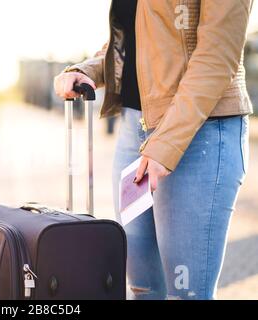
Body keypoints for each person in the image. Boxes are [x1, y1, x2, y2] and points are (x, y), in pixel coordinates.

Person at [54, 0, 253, 300]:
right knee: (142, 290)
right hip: (134, 133)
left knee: (186, 295)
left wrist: (165, 144)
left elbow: (217, 56)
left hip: (199, 136)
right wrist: (91, 70)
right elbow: (139, 38)